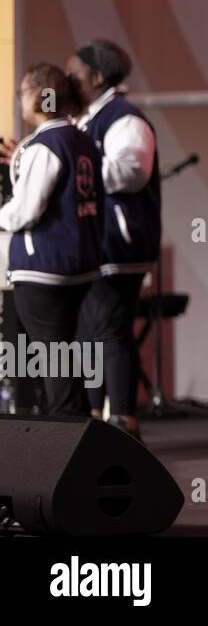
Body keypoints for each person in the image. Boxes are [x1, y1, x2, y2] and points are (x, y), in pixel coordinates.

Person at [65, 40, 161, 441]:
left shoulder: (126, 119)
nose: (67, 80)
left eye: (74, 73)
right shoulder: (88, 119)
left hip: (119, 247)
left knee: (109, 332)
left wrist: (70, 166)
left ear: (98, 76)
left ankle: (123, 421)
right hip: (93, 247)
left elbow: (131, 173)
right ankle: (95, 421)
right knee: (90, 333)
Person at [0, 64, 104, 416]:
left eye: (22, 92)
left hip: (45, 268)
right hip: (77, 266)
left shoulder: (45, 145)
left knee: (53, 356)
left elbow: (26, 210)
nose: (20, 100)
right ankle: (75, 426)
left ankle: (68, 438)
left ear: (39, 95)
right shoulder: (80, 139)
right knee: (63, 353)